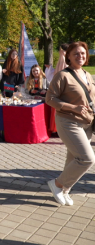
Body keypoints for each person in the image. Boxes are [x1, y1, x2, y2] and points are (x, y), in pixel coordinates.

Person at [45, 41, 95, 206]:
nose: (80, 56)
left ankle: (64, 190)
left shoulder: (87, 75)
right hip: (68, 122)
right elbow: (50, 99)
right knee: (87, 159)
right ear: (69, 57)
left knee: (73, 158)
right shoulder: (63, 75)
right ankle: (57, 184)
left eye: (82, 53)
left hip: (87, 123)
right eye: (76, 54)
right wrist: (73, 107)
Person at [46, 44, 70, 134]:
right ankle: (58, 128)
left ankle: (57, 128)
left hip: (60, 87)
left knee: (58, 107)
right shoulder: (64, 59)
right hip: (61, 87)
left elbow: (58, 73)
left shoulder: (63, 59)